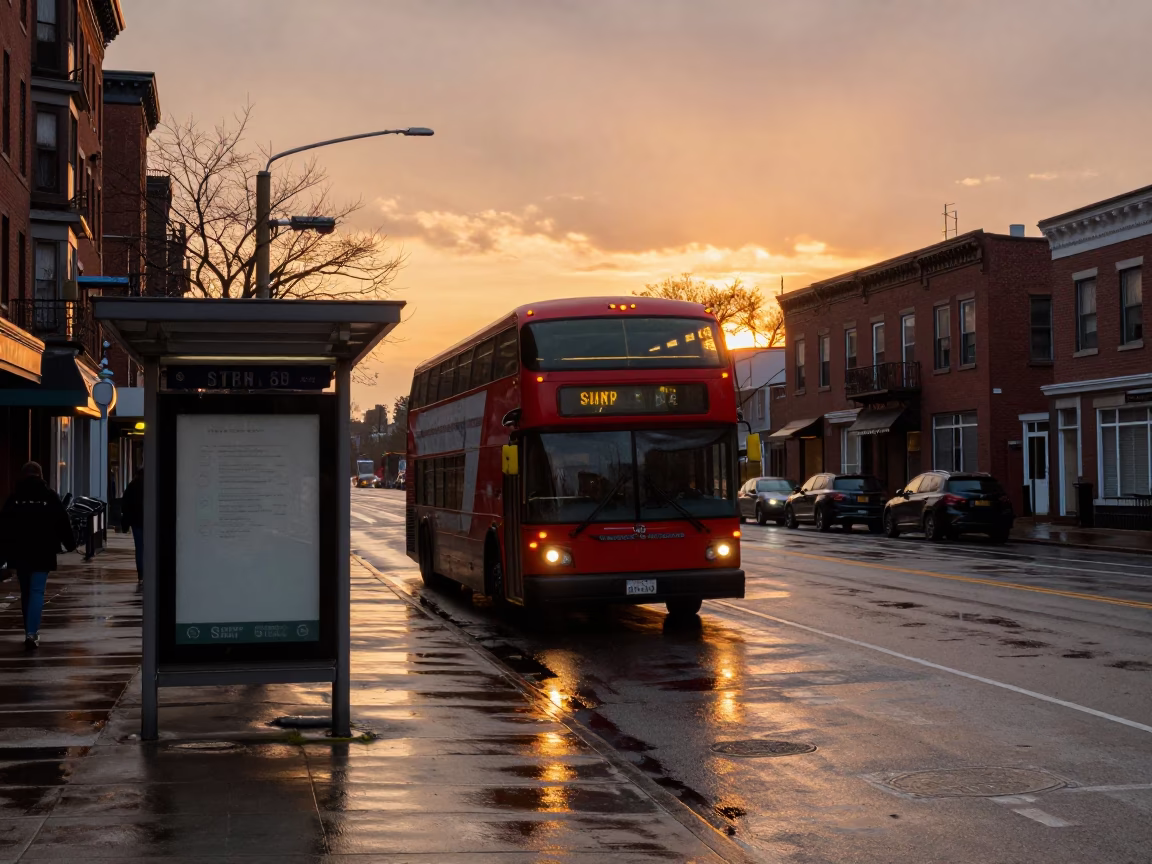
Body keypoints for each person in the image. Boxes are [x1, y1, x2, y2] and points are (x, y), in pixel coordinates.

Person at [0, 462, 77, 649]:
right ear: (41, 475)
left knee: (26, 591)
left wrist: (3, 553)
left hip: (20, 552)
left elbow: (4, 527)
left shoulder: (14, 497)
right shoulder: (49, 496)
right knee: (37, 591)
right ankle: (31, 633)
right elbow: (62, 522)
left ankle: (29, 628)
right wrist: (70, 544)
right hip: (43, 551)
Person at [121, 469, 144, 582]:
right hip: (148, 521)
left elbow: (125, 505)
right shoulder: (152, 484)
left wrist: (126, 523)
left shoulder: (132, 486)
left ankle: (141, 573)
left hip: (136, 522)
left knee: (139, 547)